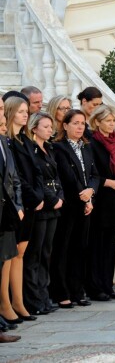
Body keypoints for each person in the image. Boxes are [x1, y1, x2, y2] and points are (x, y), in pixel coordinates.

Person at [50, 109, 99, 308]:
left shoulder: (87, 147)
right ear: (65, 125)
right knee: (64, 249)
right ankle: (62, 293)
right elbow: (68, 178)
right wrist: (84, 195)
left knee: (81, 248)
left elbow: (95, 174)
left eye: (83, 123)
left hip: (85, 205)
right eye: (76, 123)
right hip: (70, 205)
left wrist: (91, 194)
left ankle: (78, 291)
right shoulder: (58, 148)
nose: (80, 127)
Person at [3, 97, 44, 323]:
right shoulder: (7, 141)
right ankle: (7, 303)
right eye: (20, 111)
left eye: (26, 111)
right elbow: (15, 177)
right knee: (11, 255)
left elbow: (36, 171)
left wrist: (38, 197)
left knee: (21, 255)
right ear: (10, 113)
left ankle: (19, 302)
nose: (25, 114)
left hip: (31, 203)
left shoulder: (25, 140)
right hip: (17, 205)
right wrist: (31, 197)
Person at [23, 113, 63, 316]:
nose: (50, 130)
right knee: (34, 254)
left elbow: (57, 177)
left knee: (47, 253)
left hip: (54, 207)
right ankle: (33, 299)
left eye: (51, 127)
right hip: (40, 206)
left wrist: (60, 197)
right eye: (46, 126)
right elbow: (36, 180)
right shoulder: (30, 150)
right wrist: (53, 199)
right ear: (34, 128)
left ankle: (44, 296)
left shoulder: (50, 149)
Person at [87, 105, 115, 301]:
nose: (112, 124)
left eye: (114, 120)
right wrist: (110, 182)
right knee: (97, 245)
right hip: (101, 199)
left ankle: (108, 285)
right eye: (108, 121)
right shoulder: (92, 143)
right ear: (97, 122)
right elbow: (92, 173)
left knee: (111, 245)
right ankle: (96, 288)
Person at [0, 106, 23, 342]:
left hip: (6, 213)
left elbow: (13, 177)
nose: (2, 113)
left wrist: (17, 206)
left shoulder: (3, 142)